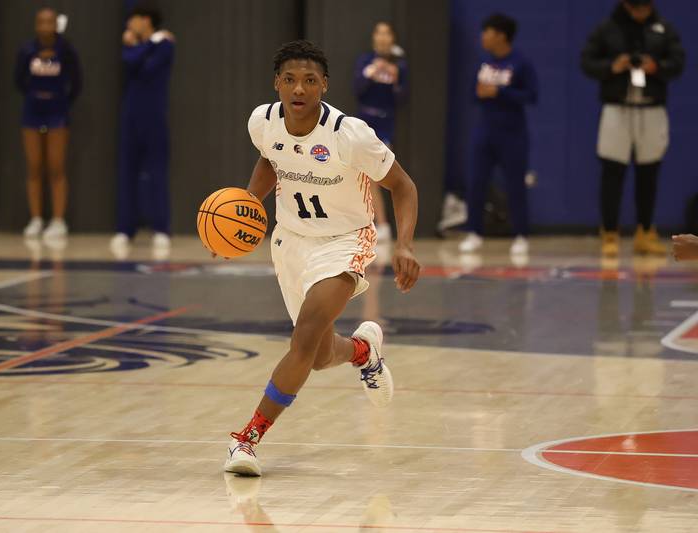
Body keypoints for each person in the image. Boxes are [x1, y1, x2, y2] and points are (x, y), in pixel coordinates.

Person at [224, 40, 421, 476]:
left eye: (310, 80)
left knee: (306, 334)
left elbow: (404, 187)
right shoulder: (263, 121)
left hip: (345, 241)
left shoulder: (350, 135)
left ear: (324, 86)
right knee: (314, 353)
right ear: (277, 83)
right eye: (290, 79)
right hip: (291, 240)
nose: (299, 89)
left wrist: (404, 244)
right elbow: (270, 161)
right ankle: (362, 352)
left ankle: (248, 438)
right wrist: (244, 209)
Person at [581, 0, 684, 257]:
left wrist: (657, 67)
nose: (641, 12)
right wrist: (611, 67)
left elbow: (678, 62)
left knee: (649, 172)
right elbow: (587, 61)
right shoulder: (607, 28)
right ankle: (609, 232)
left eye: (645, 7)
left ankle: (645, 231)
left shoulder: (663, 28)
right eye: (636, 7)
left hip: (652, 108)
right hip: (617, 107)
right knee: (612, 172)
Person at [459, 13, 538, 256]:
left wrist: (500, 92)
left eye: (487, 32)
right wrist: (483, 92)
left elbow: (531, 96)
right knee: (476, 183)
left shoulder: (521, 63)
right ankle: (474, 232)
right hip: (485, 131)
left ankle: (521, 235)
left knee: (515, 184)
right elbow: (474, 94)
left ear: (501, 36)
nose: (483, 37)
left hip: (512, 133)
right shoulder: (484, 63)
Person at [110, 3, 175, 259]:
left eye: (133, 20)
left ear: (146, 20)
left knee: (156, 173)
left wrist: (143, 45)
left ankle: (161, 229)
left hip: (155, 118)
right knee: (127, 173)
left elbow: (148, 68)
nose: (129, 25)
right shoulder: (144, 45)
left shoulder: (166, 45)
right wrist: (144, 44)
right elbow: (131, 62)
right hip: (130, 118)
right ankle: (125, 229)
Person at [15, 7, 81, 240]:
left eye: (49, 22)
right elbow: (19, 80)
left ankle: (58, 220)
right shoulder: (27, 50)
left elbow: (77, 82)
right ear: (36, 25)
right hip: (32, 114)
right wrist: (36, 96)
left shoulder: (66, 50)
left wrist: (60, 100)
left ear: (56, 24)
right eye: (41, 22)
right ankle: (35, 219)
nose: (45, 26)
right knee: (34, 166)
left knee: (56, 166)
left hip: (57, 114)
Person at [353, 21, 409, 244]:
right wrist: (372, 72)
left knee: (380, 173)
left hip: (385, 123)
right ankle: (378, 224)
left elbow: (402, 98)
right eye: (379, 33)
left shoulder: (400, 66)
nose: (383, 37)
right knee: (363, 176)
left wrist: (395, 79)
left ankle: (382, 224)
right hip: (364, 121)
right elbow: (357, 89)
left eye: (387, 33)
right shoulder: (365, 61)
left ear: (393, 39)